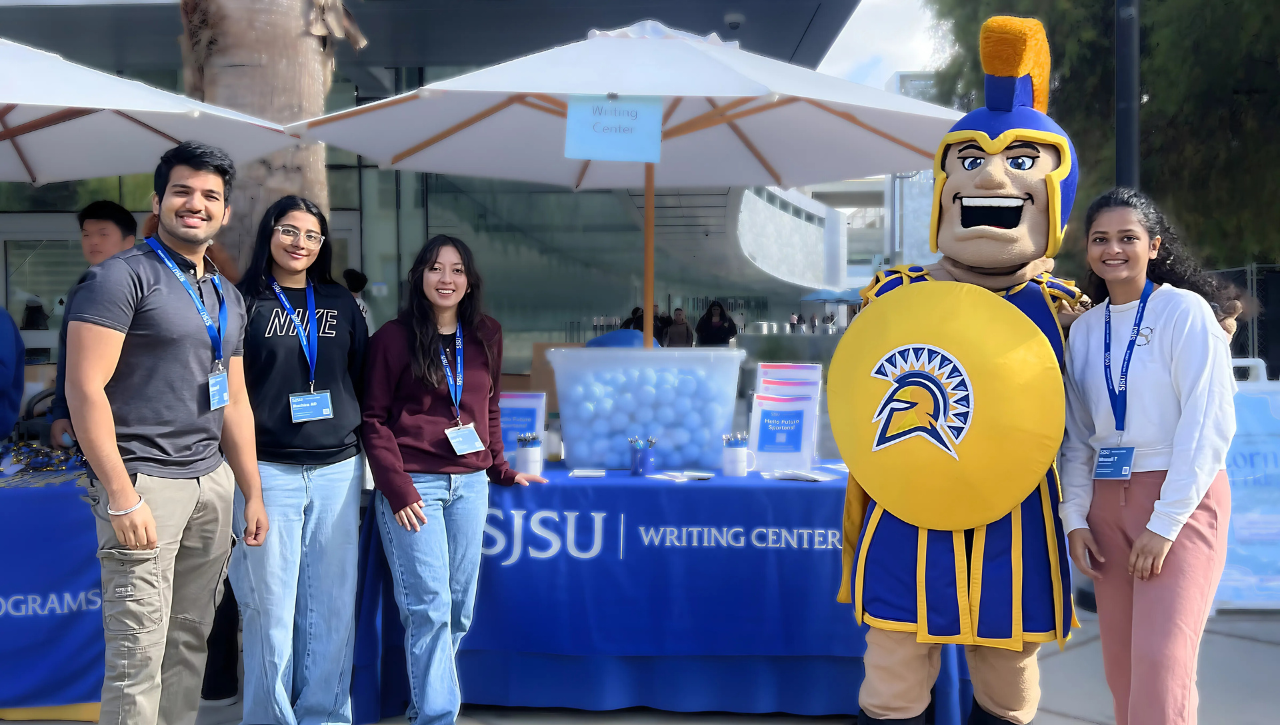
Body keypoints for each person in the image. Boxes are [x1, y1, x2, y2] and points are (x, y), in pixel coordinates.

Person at [837, 18, 1087, 724]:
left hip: (1017, 516)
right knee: (891, 673)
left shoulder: (1063, 308)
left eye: (1022, 159)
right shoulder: (894, 298)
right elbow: (858, 391)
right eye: (971, 157)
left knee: (1008, 681)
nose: (992, 175)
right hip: (910, 503)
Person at [65, 141, 268, 725]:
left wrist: (249, 490)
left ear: (225, 212)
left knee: (188, 646)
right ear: (158, 201)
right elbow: (84, 390)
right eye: (182, 191)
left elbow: (234, 403)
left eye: (210, 196)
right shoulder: (119, 278)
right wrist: (121, 493)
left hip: (209, 483)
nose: (195, 204)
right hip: (146, 484)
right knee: (138, 656)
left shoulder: (225, 294)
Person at [1060, 188, 1236, 725]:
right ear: (1088, 250)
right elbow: (1078, 435)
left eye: (1128, 238)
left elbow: (1208, 423)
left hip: (1178, 503)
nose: (1113, 249)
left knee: (1162, 668)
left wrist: (1165, 524)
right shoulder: (1084, 331)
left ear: (1154, 246)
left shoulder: (1184, 312)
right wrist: (1075, 519)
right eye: (1100, 240)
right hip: (1106, 506)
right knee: (1123, 671)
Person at [362, 234, 546, 725]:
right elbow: (373, 419)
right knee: (430, 606)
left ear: (469, 281)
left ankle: (426, 702)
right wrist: (396, 486)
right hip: (414, 485)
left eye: (457, 270)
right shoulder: (391, 339)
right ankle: (439, 717)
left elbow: (488, 405)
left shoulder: (486, 333)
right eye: (436, 268)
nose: (447, 279)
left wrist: (500, 467)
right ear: (419, 277)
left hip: (469, 485)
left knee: (458, 609)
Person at [231, 196, 369, 724]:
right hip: (267, 472)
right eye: (290, 231)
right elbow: (230, 394)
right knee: (270, 612)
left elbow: (356, 374)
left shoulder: (339, 301)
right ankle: (270, 718)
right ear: (269, 233)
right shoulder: (243, 301)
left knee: (332, 607)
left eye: (312, 236)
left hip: (337, 469)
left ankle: (326, 715)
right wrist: (249, 487)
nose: (300, 244)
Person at [50, 201, 138, 450]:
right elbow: (69, 357)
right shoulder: (83, 287)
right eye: (86, 235)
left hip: (136, 423)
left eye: (103, 234)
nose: (93, 241)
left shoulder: (145, 285)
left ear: (128, 241)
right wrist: (61, 412)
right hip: (87, 418)